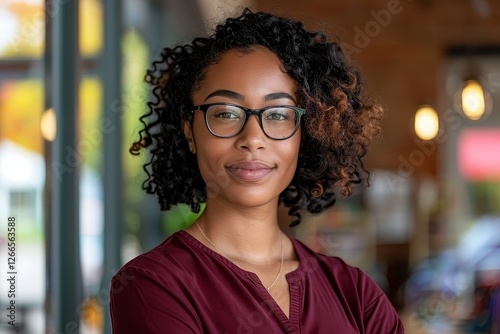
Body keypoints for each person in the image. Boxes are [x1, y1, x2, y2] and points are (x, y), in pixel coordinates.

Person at [110, 7, 405, 334]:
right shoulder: (153, 285)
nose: (253, 139)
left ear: (305, 134)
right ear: (190, 132)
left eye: (278, 114)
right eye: (225, 113)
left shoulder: (356, 293)